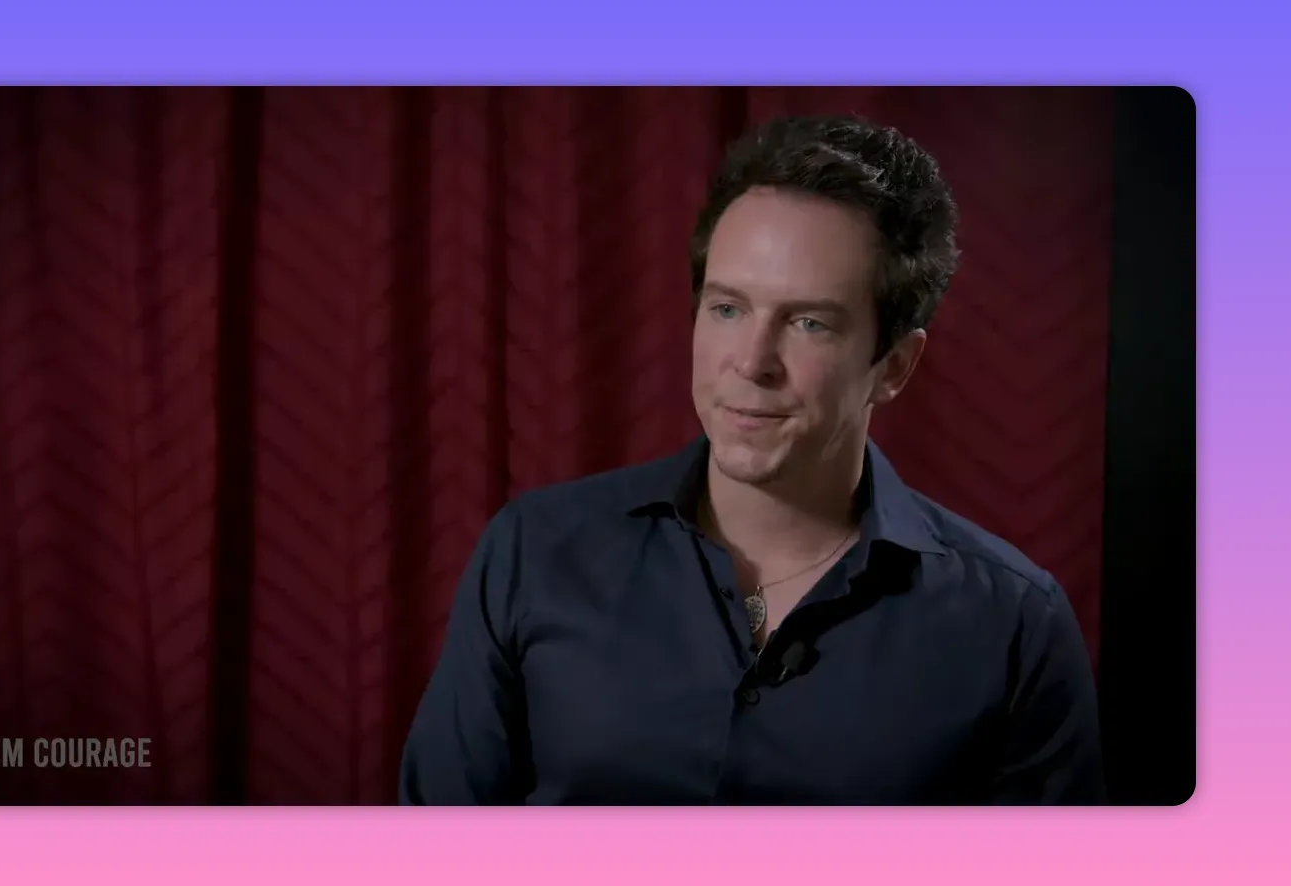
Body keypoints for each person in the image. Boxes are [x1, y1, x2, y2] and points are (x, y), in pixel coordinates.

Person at [398, 115, 1107, 805]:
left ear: (894, 365)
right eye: (728, 309)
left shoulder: (1014, 624)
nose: (751, 362)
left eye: (808, 322)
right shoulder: (535, 552)